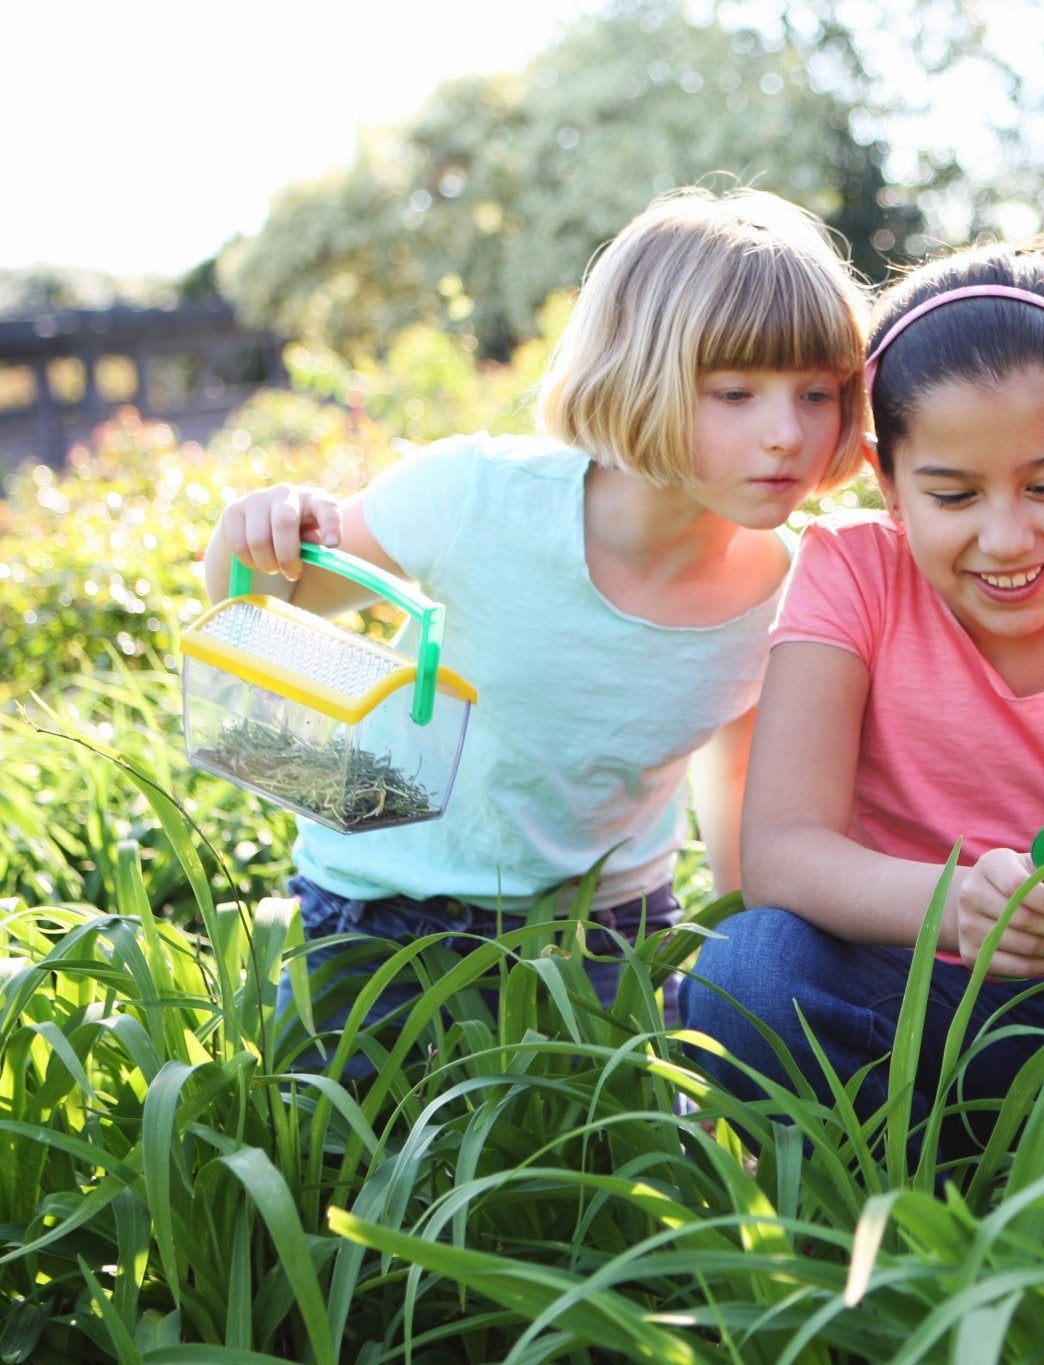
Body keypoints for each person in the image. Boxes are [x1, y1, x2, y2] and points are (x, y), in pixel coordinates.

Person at [202, 187, 870, 1067]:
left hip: (604, 936)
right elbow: (258, 612)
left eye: (817, 393)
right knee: (338, 1173)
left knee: (598, 1194)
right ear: (638, 377)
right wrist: (248, 532)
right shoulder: (472, 495)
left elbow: (738, 764)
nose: (787, 433)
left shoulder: (789, 587)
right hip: (380, 916)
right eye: (735, 392)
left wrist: (744, 958)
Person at [680, 245, 1044, 1161]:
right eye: (952, 494)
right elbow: (782, 856)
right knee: (747, 974)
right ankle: (917, 1164)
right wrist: (957, 907)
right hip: (902, 988)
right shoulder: (852, 576)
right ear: (888, 481)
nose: (1005, 537)